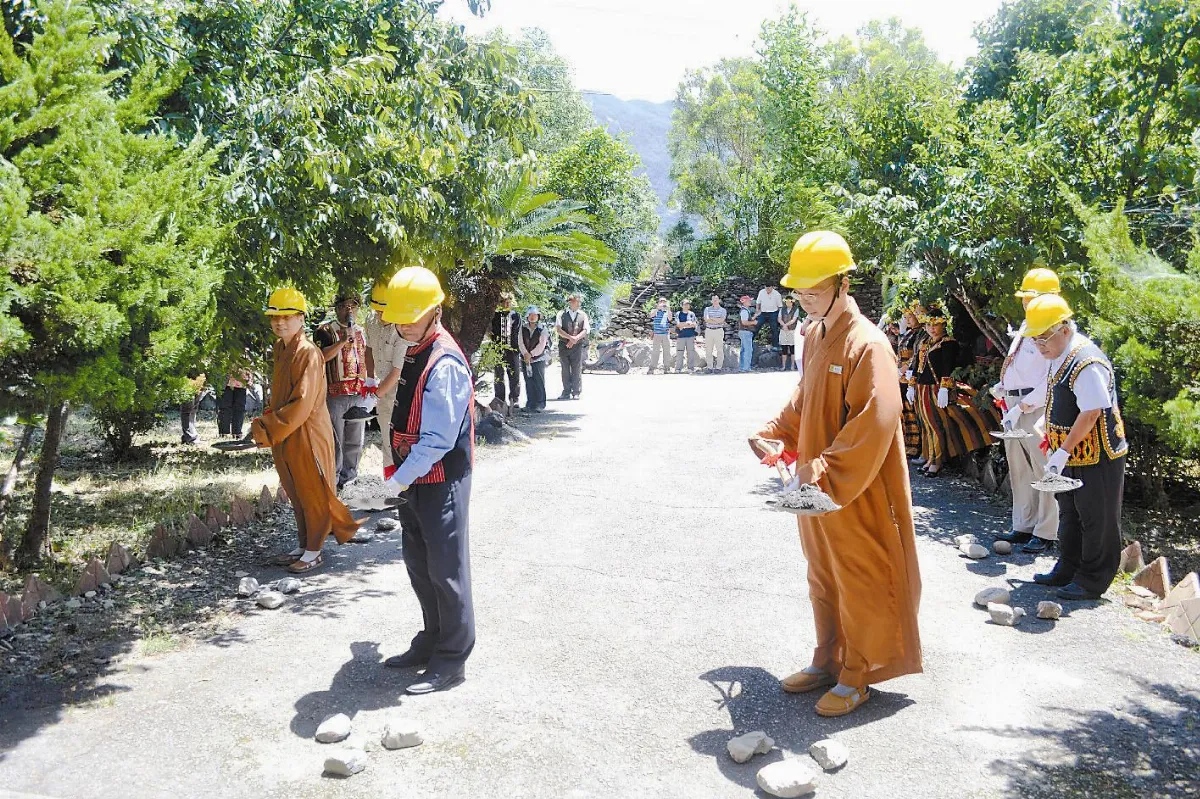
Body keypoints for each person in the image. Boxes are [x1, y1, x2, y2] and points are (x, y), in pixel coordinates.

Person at [751, 230, 921, 717]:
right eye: (799, 292)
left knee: (860, 577)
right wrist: (775, 432)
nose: (805, 301)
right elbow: (805, 401)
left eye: (814, 291)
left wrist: (824, 469)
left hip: (854, 487)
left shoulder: (869, 344)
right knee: (822, 576)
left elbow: (876, 418)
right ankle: (826, 659)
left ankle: (858, 673)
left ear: (844, 284)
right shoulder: (814, 334)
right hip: (813, 484)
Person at [379, 267, 476, 693]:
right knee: (420, 565)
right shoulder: (416, 347)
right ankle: (431, 640)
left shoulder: (445, 363)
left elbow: (437, 439)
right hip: (412, 479)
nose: (403, 325)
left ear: (436, 311)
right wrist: (399, 479)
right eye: (399, 318)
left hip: (440, 480)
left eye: (412, 317)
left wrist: (396, 481)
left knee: (447, 571)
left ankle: (452, 660)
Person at [1025, 294, 1127, 601]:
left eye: (1044, 338)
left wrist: (1064, 450)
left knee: (1096, 517)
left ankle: (1092, 580)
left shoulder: (1086, 361)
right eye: (1036, 340)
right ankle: (1067, 568)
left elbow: (1092, 410)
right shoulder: (1060, 354)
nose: (1040, 346)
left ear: (1065, 329)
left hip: (1096, 454)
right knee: (1069, 511)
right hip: (1071, 452)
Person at [249, 288, 360, 574]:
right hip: (285, 430)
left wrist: (266, 428)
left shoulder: (308, 352)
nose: (280, 323)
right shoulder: (281, 348)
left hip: (307, 431)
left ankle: (315, 549)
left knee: (312, 490)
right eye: (275, 317)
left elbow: (302, 402)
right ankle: (304, 543)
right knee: (294, 489)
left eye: (287, 317)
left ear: (301, 318)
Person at [992, 267, 1061, 554]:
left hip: (1035, 407)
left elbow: (1052, 377)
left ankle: (1046, 531)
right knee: (1019, 468)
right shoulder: (1027, 324)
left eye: (1030, 297)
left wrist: (1022, 405)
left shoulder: (1056, 329)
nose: (1024, 302)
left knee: (1043, 468)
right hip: (1014, 404)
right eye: (1025, 298)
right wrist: (1003, 389)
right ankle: (1024, 524)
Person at [912, 304, 996, 477]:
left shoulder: (948, 343)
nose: (932, 329)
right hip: (922, 388)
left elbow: (947, 367)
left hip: (936, 388)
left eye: (935, 325)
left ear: (943, 325)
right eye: (928, 325)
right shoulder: (925, 343)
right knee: (926, 424)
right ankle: (929, 457)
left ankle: (937, 461)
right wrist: (912, 384)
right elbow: (917, 366)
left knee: (937, 425)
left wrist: (944, 387)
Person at [315, 292, 369, 491]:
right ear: (336, 308)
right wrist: (341, 342)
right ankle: (333, 478)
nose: (349, 310)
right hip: (335, 393)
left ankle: (350, 477)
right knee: (336, 438)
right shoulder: (325, 331)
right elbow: (321, 357)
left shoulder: (362, 331)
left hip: (358, 392)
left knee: (355, 439)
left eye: (353, 306)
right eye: (345, 305)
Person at [364, 279, 408, 472]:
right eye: (378, 309)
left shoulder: (403, 329)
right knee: (386, 440)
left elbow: (397, 371)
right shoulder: (371, 320)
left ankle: (406, 490)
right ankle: (391, 487)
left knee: (401, 443)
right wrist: (370, 380)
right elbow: (368, 349)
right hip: (382, 386)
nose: (381, 315)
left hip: (402, 391)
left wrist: (375, 396)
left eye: (385, 310)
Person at [897, 303, 928, 462]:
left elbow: (916, 355)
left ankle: (917, 447)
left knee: (913, 412)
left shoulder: (922, 334)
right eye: (907, 317)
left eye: (911, 316)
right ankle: (909, 445)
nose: (908, 320)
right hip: (902, 377)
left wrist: (905, 369)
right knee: (906, 411)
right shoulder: (910, 332)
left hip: (910, 376)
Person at [555, 293, 590, 399]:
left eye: (579, 301)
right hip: (563, 344)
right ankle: (566, 392)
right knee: (565, 368)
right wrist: (570, 338)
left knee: (577, 368)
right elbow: (558, 329)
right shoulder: (561, 314)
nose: (578, 303)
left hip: (577, 345)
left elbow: (585, 330)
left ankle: (576, 392)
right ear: (570, 302)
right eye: (576, 301)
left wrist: (575, 339)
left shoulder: (583, 315)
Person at [491, 293, 522, 411]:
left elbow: (517, 333)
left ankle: (514, 398)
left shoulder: (516, 316)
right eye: (503, 301)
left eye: (508, 301)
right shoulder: (495, 316)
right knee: (498, 374)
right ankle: (499, 399)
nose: (506, 303)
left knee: (514, 374)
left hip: (512, 349)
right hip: (498, 348)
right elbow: (492, 331)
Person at [518, 306, 549, 413]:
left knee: (539, 380)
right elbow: (520, 342)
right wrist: (525, 354)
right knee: (528, 381)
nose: (532, 317)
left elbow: (542, 345)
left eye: (534, 315)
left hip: (538, 359)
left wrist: (531, 354)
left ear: (538, 316)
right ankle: (530, 403)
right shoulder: (522, 328)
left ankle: (540, 403)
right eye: (530, 315)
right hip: (525, 358)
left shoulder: (542, 329)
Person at [218, 365, 250, 439]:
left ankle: (237, 433)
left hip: (242, 379)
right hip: (225, 379)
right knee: (225, 407)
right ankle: (224, 433)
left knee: (239, 408)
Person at [647, 297, 673, 374]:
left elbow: (670, 318)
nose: (663, 303)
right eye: (661, 301)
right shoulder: (655, 311)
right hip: (657, 334)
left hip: (665, 334)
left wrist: (668, 309)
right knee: (655, 351)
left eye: (664, 301)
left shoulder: (668, 311)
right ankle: (652, 368)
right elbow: (651, 315)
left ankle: (667, 368)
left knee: (667, 352)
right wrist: (658, 308)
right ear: (658, 303)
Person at [674, 299, 700, 373]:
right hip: (681, 336)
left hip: (690, 336)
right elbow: (678, 324)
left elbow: (694, 324)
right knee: (679, 352)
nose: (686, 306)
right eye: (685, 304)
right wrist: (688, 323)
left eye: (688, 304)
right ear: (682, 305)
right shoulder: (678, 314)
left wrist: (684, 325)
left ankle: (690, 368)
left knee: (691, 352)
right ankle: (678, 368)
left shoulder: (692, 314)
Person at [702, 295, 727, 372]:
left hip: (718, 330)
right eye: (713, 300)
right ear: (711, 301)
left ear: (719, 300)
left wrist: (712, 318)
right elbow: (706, 319)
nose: (715, 301)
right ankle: (709, 367)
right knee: (708, 349)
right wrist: (717, 320)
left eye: (716, 299)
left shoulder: (723, 310)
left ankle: (718, 367)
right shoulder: (707, 309)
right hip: (709, 330)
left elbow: (722, 320)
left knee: (719, 349)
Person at [778, 294, 801, 372]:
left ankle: (792, 366)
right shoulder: (782, 309)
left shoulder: (796, 309)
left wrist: (786, 325)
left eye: (789, 302)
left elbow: (794, 319)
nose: (788, 303)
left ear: (792, 302)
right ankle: (783, 366)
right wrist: (784, 325)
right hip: (783, 330)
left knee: (792, 349)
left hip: (792, 330)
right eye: (786, 302)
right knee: (784, 348)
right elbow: (779, 318)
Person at [737, 296, 757, 372]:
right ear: (744, 302)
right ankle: (746, 368)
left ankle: (742, 367)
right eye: (748, 300)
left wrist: (755, 316)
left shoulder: (745, 310)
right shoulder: (744, 311)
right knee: (748, 350)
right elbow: (744, 322)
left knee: (743, 349)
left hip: (743, 332)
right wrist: (754, 322)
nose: (750, 302)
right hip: (745, 332)